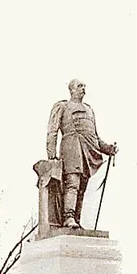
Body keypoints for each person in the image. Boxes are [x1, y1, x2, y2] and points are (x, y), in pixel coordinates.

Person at [46, 79, 118, 228]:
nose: (83, 89)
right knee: (72, 182)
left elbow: (95, 137)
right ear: (71, 90)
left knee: (82, 187)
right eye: (79, 86)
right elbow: (52, 131)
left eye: (84, 86)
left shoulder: (89, 109)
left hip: (89, 151)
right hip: (72, 147)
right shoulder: (63, 106)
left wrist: (108, 149)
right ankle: (68, 217)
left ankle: (76, 220)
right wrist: (51, 155)